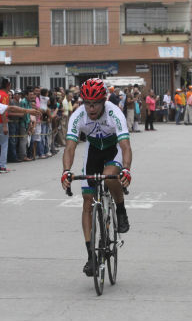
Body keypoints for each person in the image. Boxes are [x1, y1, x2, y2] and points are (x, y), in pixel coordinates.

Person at [61, 78, 132, 277]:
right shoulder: (78, 116)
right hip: (93, 151)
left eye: (96, 103)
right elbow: (70, 147)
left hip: (113, 150)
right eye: (87, 103)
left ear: (104, 100)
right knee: (87, 201)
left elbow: (126, 146)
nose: (91, 108)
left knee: (109, 178)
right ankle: (91, 256)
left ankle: (120, 208)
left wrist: (126, 170)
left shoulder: (114, 113)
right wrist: (66, 171)